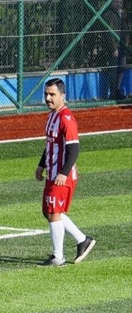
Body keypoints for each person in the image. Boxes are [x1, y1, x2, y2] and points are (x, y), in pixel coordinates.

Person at [36, 78, 97, 266]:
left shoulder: (66, 118)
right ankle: (82, 240)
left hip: (63, 175)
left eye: (52, 94)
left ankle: (58, 257)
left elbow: (74, 148)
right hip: (52, 173)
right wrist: (41, 165)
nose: (48, 98)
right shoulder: (51, 116)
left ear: (62, 95)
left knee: (54, 212)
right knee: (48, 212)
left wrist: (64, 172)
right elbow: (50, 144)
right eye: (46, 94)